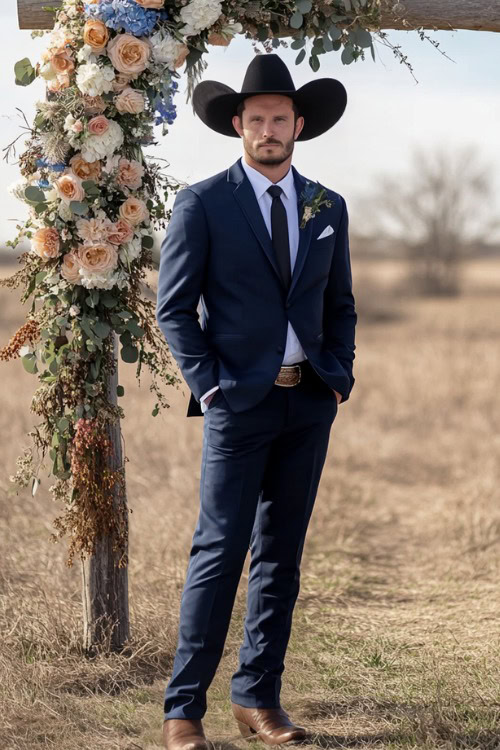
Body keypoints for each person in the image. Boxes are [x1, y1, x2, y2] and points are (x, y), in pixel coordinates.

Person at [156, 53, 357, 750]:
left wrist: (339, 376)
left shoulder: (327, 205)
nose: (268, 129)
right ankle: (184, 709)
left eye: (280, 118)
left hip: (308, 407)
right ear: (237, 125)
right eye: (256, 118)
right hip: (236, 404)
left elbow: (341, 305)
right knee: (218, 551)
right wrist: (209, 386)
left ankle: (258, 698)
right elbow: (174, 309)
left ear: (298, 125)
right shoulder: (204, 202)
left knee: (282, 557)